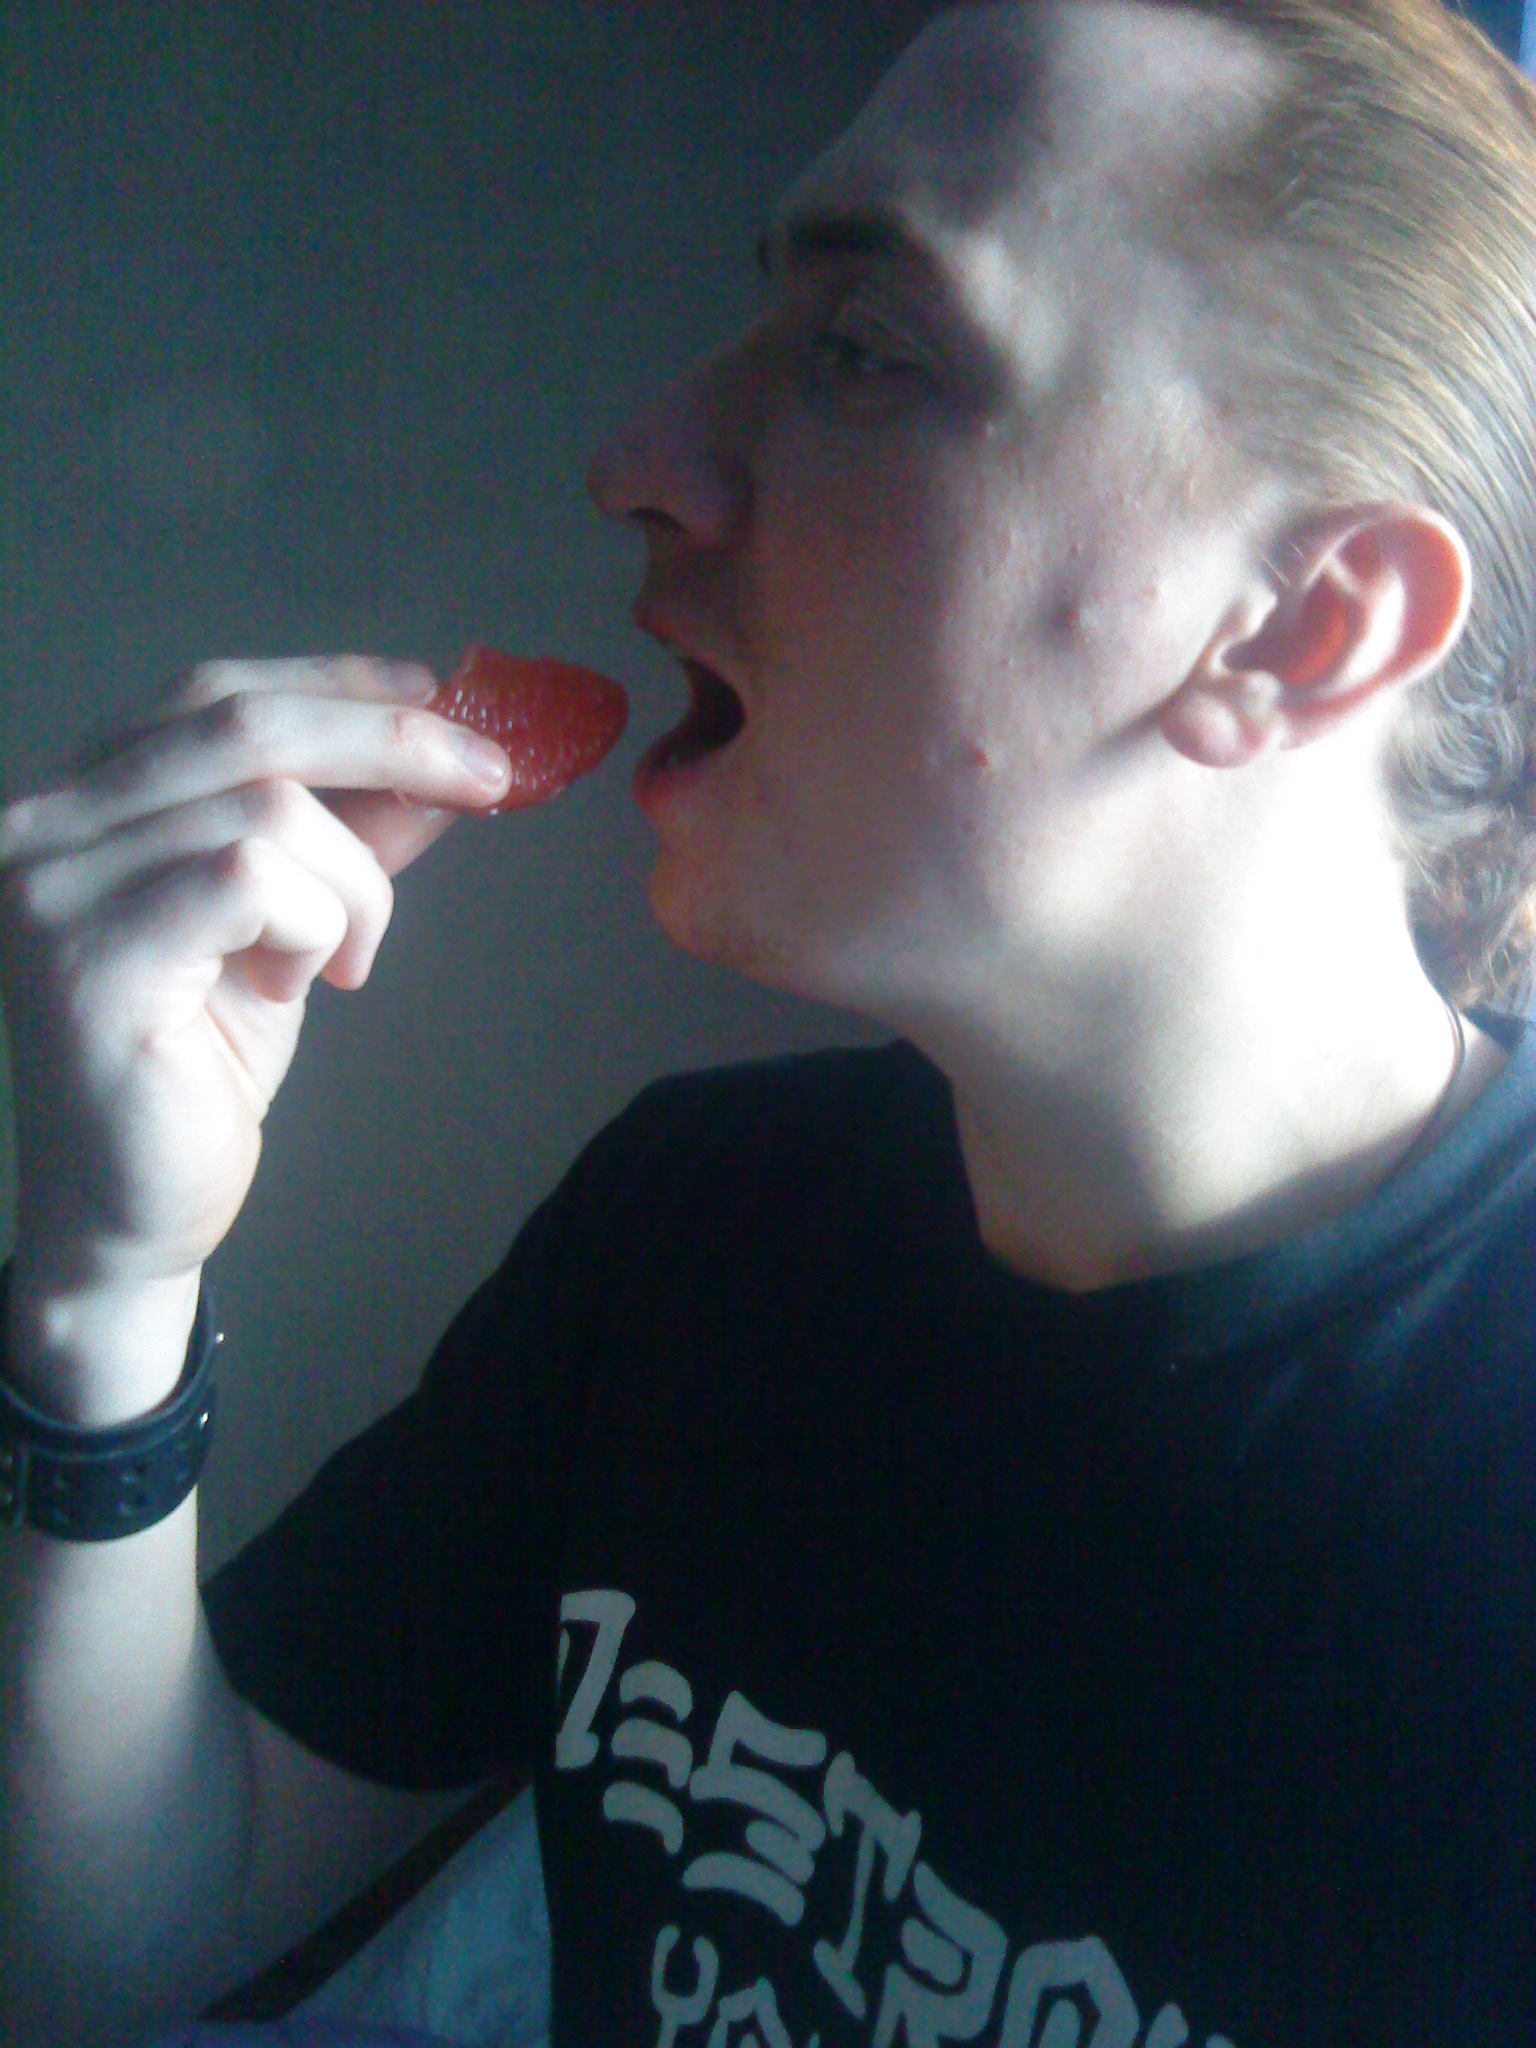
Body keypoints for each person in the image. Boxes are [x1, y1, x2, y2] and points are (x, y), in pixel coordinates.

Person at [2, 0, 1534, 2042]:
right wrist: (108, 1285)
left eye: (868, 350)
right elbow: (130, 1936)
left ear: (1308, 626)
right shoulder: (694, 1224)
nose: (637, 458)